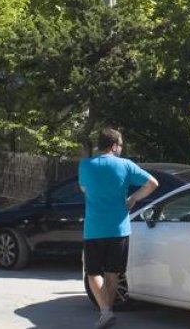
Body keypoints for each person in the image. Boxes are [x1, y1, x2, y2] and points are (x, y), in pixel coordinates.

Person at [79, 128, 158, 329]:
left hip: (94, 229)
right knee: (113, 273)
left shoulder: (85, 165)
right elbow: (152, 183)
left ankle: (105, 312)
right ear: (114, 146)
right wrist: (133, 198)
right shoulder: (126, 165)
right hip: (119, 229)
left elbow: (84, 189)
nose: (121, 148)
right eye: (121, 144)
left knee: (93, 273)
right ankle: (108, 311)